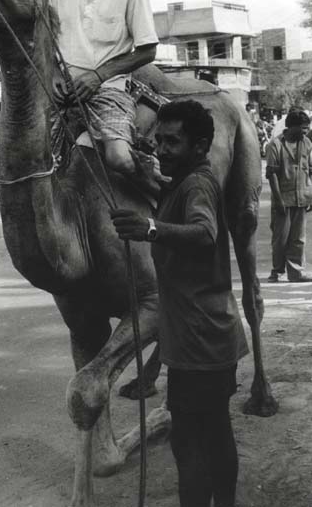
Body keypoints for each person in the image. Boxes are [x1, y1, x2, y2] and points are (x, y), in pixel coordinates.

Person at [111, 99, 248, 507]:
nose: (162, 149)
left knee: (189, 441)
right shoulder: (182, 182)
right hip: (205, 334)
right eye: (159, 140)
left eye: (173, 142)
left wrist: (149, 228)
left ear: (202, 146)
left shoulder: (197, 185)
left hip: (200, 339)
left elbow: (204, 233)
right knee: (215, 430)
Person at [49, 0, 158, 175]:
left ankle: (159, 199)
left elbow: (147, 50)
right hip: (62, 91)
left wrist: (97, 76)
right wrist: (53, 72)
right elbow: (42, 32)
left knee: (119, 158)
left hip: (108, 89)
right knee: (27, 157)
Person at [266, 109, 312, 283]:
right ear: (292, 127)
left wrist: (311, 194)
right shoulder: (275, 145)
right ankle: (277, 271)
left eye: (307, 128)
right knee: (280, 238)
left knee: (298, 238)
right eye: (303, 128)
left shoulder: (307, 143)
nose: (306, 131)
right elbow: (272, 174)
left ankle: (296, 272)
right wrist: (278, 200)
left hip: (302, 198)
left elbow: (311, 170)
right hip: (282, 199)